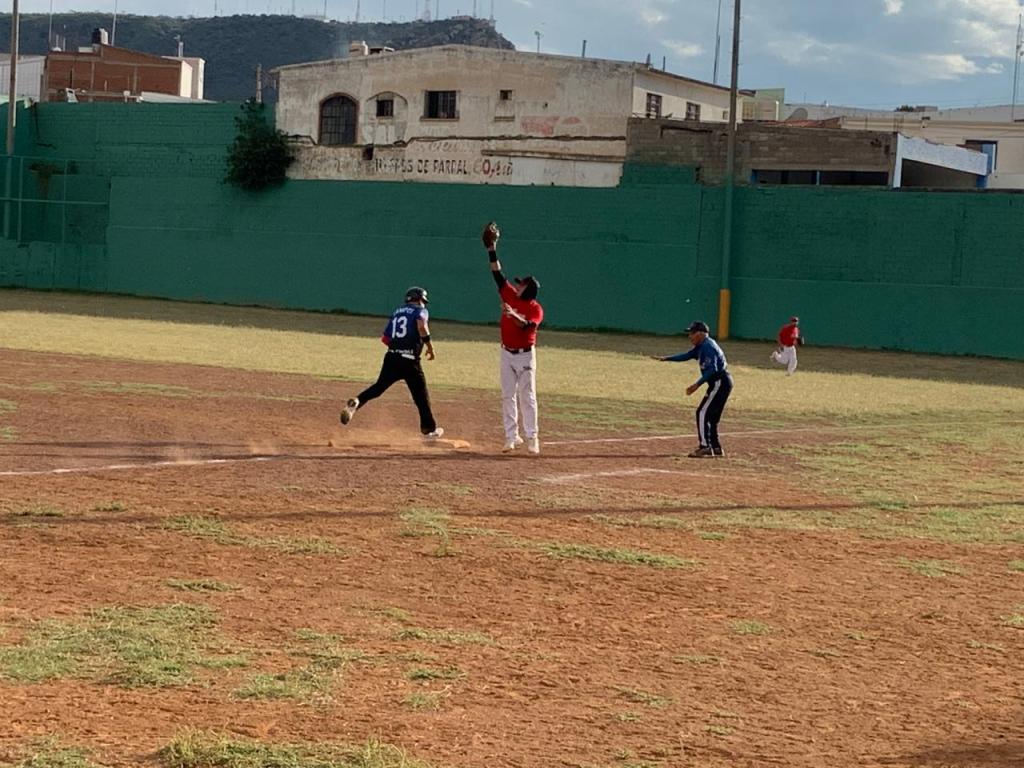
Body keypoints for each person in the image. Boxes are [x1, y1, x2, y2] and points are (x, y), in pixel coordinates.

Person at [339, 286, 444, 439]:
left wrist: (398, 348)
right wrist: (430, 347)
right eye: (423, 301)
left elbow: (385, 339)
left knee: (378, 387)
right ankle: (429, 430)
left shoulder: (397, 312)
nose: (424, 305)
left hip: (392, 357)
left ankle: (357, 401)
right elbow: (422, 326)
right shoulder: (420, 311)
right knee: (421, 397)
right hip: (410, 361)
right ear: (419, 300)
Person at [482, 221, 544, 455]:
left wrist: (512, 313)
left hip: (525, 356)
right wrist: (492, 249)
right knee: (507, 395)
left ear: (527, 290)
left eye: (520, 285)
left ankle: (532, 437)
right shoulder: (509, 294)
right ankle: (511, 436)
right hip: (506, 352)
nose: (515, 286)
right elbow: (497, 274)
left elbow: (526, 326)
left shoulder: (535, 308)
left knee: (527, 396)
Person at [652, 321, 732, 458]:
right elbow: (687, 355)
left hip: (719, 382)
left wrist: (697, 385)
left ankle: (705, 447)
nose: (690, 336)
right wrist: (667, 359)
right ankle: (716, 447)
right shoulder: (702, 345)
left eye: (692, 333)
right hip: (721, 382)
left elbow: (713, 369)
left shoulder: (708, 346)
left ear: (701, 334)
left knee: (702, 412)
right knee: (711, 416)